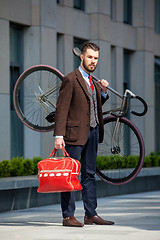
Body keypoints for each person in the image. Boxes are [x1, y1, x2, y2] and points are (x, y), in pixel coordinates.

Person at [54, 42, 114, 227]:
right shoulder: (71, 79)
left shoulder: (94, 81)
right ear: (81, 57)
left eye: (96, 58)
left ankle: (91, 214)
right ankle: (68, 216)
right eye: (89, 57)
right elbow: (62, 109)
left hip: (93, 132)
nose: (93, 61)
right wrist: (58, 135)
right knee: (70, 175)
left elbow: (91, 107)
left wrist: (103, 93)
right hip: (74, 134)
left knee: (89, 174)